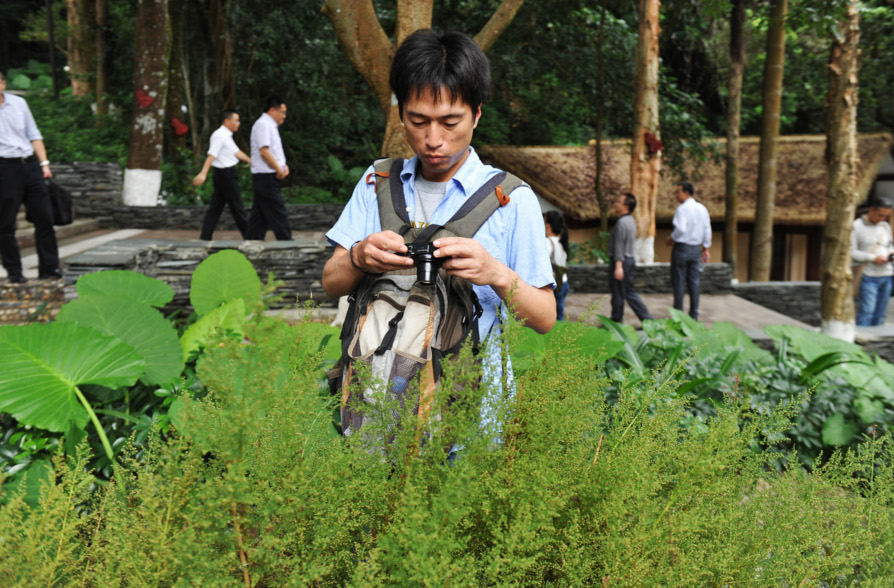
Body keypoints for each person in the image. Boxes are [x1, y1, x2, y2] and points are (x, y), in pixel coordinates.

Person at [322, 29, 556, 387]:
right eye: (418, 121)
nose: (433, 140)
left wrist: (494, 272)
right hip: (375, 404)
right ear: (401, 113)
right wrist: (358, 257)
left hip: (472, 410)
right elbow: (330, 283)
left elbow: (544, 318)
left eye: (450, 123)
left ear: (476, 114)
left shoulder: (510, 198)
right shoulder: (377, 182)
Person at [0, 70, 62, 283]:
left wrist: (44, 164)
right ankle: (14, 272)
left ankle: (49, 268)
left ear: (3, 84)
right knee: (5, 223)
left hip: (30, 165)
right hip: (4, 168)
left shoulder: (19, 103)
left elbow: (34, 134)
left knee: (45, 217)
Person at [192, 110, 251, 240]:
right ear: (227, 121)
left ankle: (205, 237)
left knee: (215, 208)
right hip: (225, 175)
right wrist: (203, 173)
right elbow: (211, 155)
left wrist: (252, 161)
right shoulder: (219, 135)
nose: (238, 123)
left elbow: (237, 152)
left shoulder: (226, 136)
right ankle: (250, 237)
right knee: (237, 207)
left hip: (225, 174)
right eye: (236, 120)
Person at [246, 96, 292, 240]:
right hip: (266, 177)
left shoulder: (269, 125)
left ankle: (252, 242)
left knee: (259, 217)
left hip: (266, 176)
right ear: (272, 110)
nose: (284, 116)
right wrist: (279, 169)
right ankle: (287, 243)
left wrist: (283, 165)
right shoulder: (264, 125)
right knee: (278, 212)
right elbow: (264, 151)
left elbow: (273, 151)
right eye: (282, 112)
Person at [665, 181, 711, 320]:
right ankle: (694, 315)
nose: (676, 195)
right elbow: (707, 229)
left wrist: (671, 238)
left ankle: (678, 316)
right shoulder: (702, 208)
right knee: (694, 282)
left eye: (678, 192)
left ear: (686, 193)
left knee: (679, 281)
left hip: (682, 248)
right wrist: (706, 249)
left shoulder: (682, 209)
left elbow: (680, 229)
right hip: (696, 249)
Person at [608, 193, 653, 323]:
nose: (615, 203)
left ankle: (618, 321)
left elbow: (619, 246)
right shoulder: (630, 220)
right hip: (628, 260)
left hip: (622, 261)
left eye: (618, 201)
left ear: (626, 206)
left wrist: (618, 266)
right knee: (627, 291)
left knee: (620, 293)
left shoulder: (622, 223)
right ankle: (646, 320)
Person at [851, 197, 894, 326]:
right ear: (871, 210)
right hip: (868, 275)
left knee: (880, 312)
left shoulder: (885, 226)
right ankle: (862, 336)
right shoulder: (857, 226)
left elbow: (889, 245)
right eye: (880, 215)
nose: (883, 218)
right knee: (867, 311)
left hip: (886, 274)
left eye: (886, 216)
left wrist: (890, 254)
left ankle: (876, 338)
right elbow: (851, 252)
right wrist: (873, 258)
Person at [544, 211, 570, 321]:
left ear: (548, 225)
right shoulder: (562, 241)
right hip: (564, 282)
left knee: (549, 317)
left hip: (554, 284)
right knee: (559, 317)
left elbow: (542, 261)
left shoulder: (548, 242)